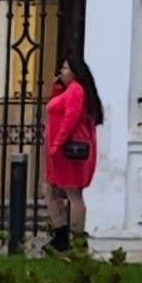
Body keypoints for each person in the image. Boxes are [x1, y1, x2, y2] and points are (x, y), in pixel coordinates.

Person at [42, 54, 102, 252]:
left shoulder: (76, 90)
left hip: (68, 151)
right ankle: (61, 233)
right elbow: (57, 107)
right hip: (61, 153)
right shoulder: (70, 91)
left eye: (66, 68)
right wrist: (58, 87)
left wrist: (56, 144)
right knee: (50, 188)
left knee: (72, 193)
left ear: (76, 72)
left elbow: (71, 118)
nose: (62, 72)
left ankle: (75, 239)